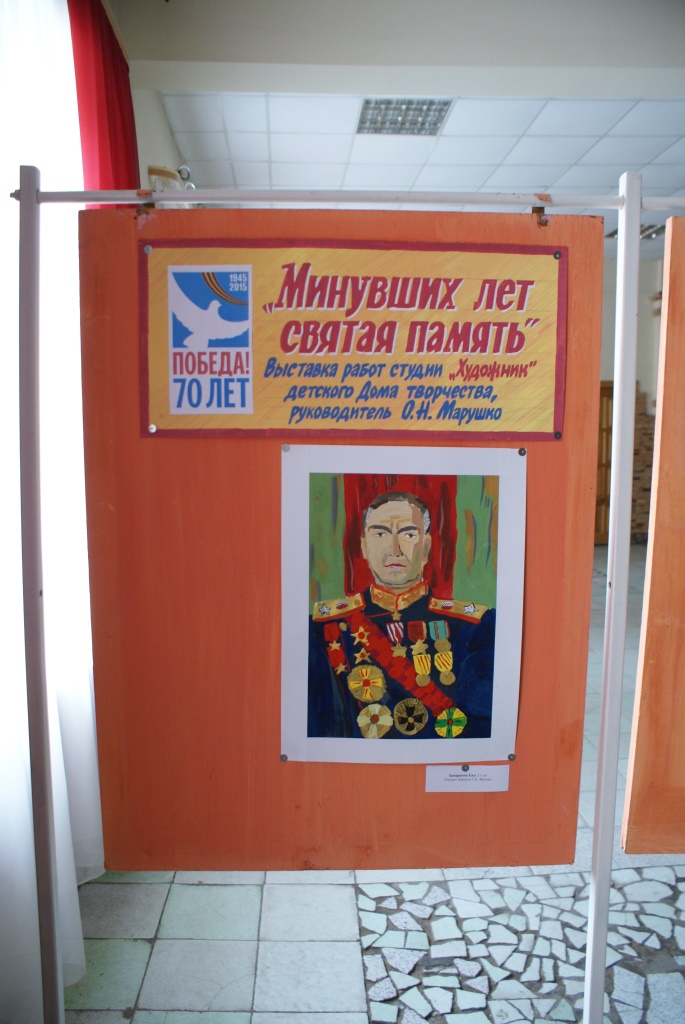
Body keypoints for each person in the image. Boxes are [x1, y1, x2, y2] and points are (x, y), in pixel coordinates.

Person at [308, 491, 495, 740]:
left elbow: (484, 728)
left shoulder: (475, 626)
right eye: (380, 534)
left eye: (408, 534)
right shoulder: (324, 627)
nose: (394, 549)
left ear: (425, 548)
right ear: (364, 547)